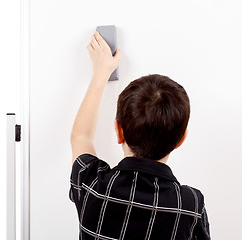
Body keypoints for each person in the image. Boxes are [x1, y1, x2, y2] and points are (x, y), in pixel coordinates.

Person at [69, 31, 210, 240]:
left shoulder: (93, 187)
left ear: (118, 131)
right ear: (181, 140)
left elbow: (80, 136)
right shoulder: (189, 206)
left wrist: (101, 73)